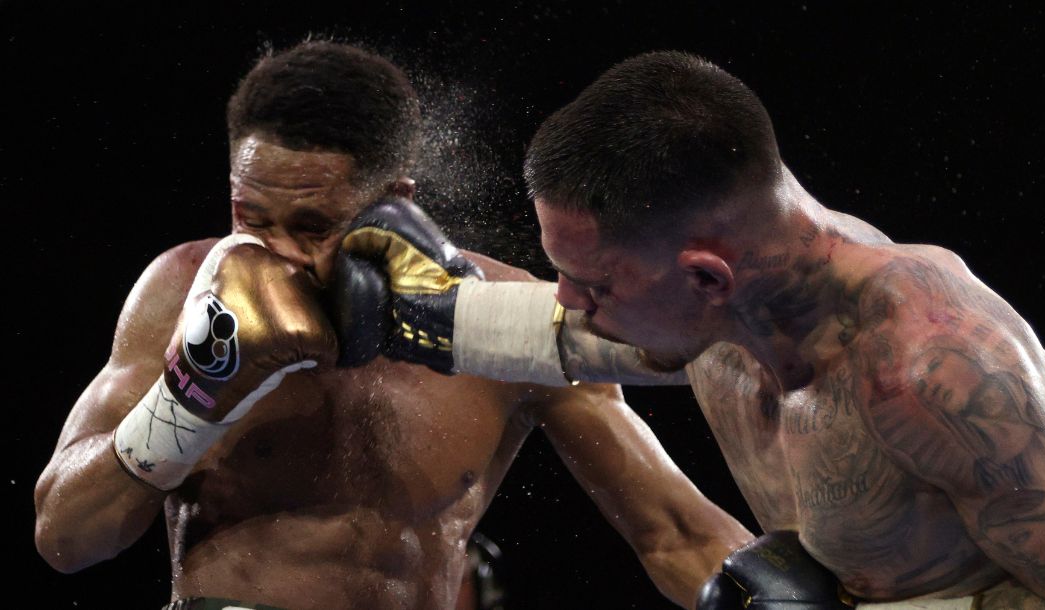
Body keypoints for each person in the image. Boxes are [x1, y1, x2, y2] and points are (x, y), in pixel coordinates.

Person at [33, 41, 755, 610]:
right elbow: (64, 537)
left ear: (395, 201)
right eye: (251, 218)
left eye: (312, 225)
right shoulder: (181, 290)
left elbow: (674, 533)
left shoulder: (508, 318)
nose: (276, 252)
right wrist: (191, 391)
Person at [353, 51, 1045, 608]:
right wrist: (419, 310)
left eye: (596, 284)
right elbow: (577, 337)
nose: (570, 301)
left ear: (705, 278)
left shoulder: (940, 375)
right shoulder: (728, 316)